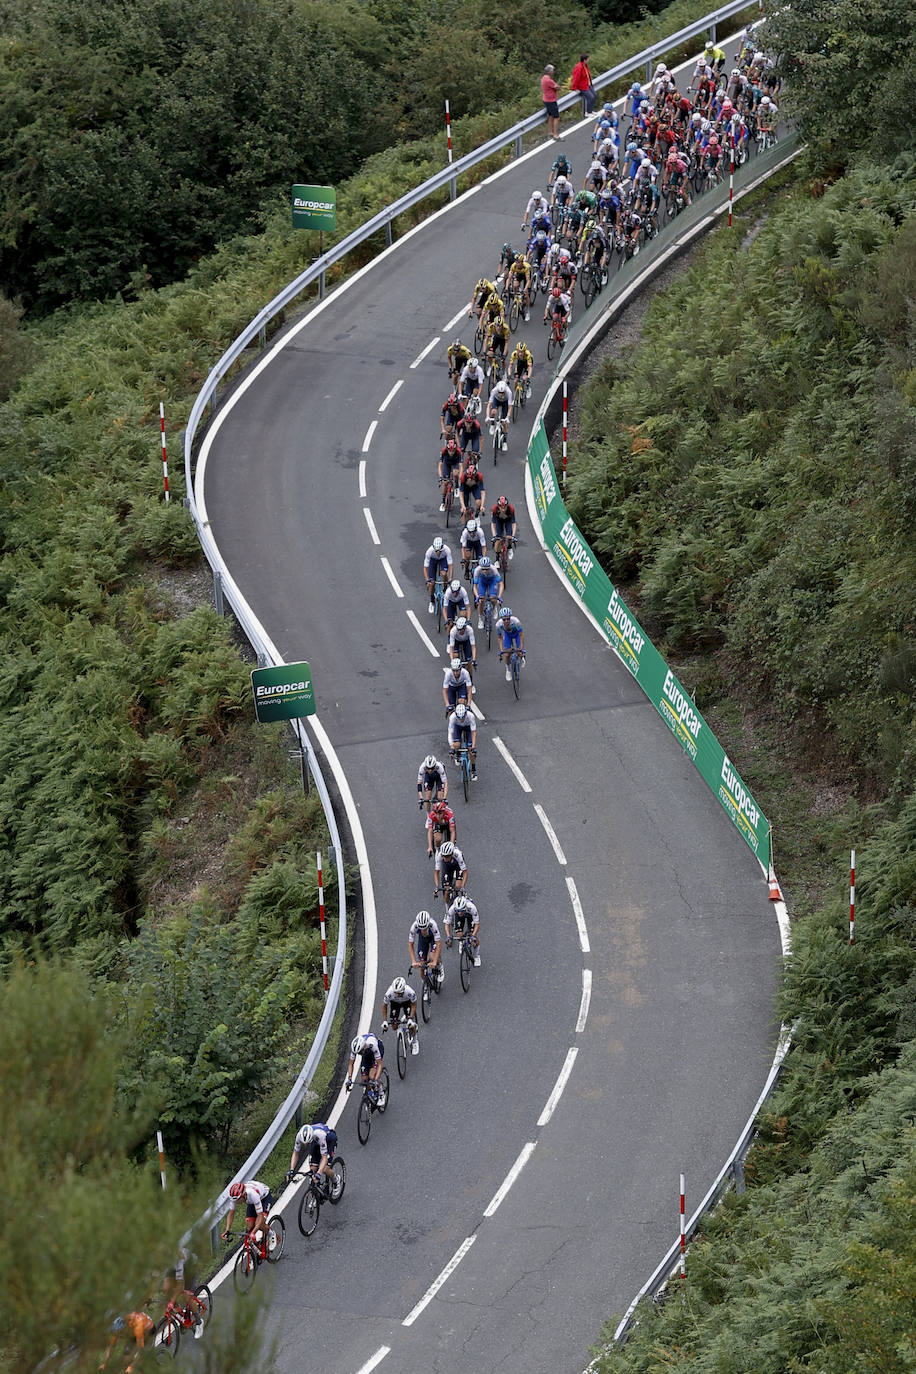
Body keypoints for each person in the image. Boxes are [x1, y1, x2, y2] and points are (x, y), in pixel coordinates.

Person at [286, 1121, 338, 1194]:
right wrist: (291, 1170)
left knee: (325, 1169)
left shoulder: (320, 1134)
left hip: (328, 1140)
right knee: (312, 1169)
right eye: (304, 1144)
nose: (306, 1145)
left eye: (307, 1143)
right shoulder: (299, 1136)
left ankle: (336, 1180)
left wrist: (319, 1173)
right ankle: (316, 1196)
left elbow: (324, 1157)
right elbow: (295, 1153)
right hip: (315, 1142)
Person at [221, 1179, 273, 1243]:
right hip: (251, 1201)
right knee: (250, 1226)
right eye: (235, 1200)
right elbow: (231, 1213)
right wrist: (227, 1229)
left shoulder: (253, 1195)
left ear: (244, 1195)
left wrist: (253, 1233)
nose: (236, 1202)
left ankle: (272, 1235)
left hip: (265, 1198)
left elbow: (260, 1215)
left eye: (238, 1200)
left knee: (260, 1224)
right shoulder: (234, 1197)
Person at [381, 974, 420, 1055]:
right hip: (395, 1004)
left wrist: (410, 1018)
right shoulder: (389, 993)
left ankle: (415, 1041)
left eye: (399, 993)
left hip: (407, 1003)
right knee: (394, 1026)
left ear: (404, 989)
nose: (397, 995)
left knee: (411, 1026)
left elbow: (414, 1005)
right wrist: (384, 1021)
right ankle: (402, 1028)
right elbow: (384, 1005)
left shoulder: (410, 992)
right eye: (396, 993)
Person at [408, 909, 445, 986]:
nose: (423, 929)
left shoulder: (433, 925)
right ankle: (425, 985)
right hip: (423, 939)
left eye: (425, 927)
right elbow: (410, 944)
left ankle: (440, 966)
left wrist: (435, 961)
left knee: (432, 956)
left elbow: (438, 943)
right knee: (422, 965)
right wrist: (413, 961)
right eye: (421, 928)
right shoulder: (414, 927)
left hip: (433, 938)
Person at [346, 1031, 386, 1100]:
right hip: (367, 1053)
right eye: (358, 1053)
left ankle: (381, 1092)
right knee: (364, 1079)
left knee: (372, 1076)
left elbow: (379, 1064)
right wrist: (349, 1078)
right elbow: (351, 1064)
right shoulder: (355, 1048)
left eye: (360, 1052)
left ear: (364, 1046)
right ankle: (371, 1095)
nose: (359, 1054)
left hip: (377, 1049)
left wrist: (376, 1080)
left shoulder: (372, 1044)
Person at [445, 892, 481, 966]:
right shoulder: (452, 909)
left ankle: (476, 955)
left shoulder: (472, 907)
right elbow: (447, 924)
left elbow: (477, 924)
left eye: (461, 910)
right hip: (459, 918)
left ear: (465, 907)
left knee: (473, 936)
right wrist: (448, 936)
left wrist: (473, 935)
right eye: (458, 911)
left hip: (470, 915)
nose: (460, 913)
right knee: (459, 935)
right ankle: (462, 942)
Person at [472, 555, 503, 628]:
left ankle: (494, 607)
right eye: (483, 569)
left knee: (493, 598)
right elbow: (475, 586)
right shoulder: (477, 570)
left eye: (487, 569)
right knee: (481, 601)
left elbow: (501, 584)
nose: (485, 571)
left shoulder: (494, 569)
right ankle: (480, 618)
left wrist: (499, 596)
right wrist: (477, 596)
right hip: (482, 582)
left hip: (492, 581)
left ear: (490, 567)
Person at [423, 535, 453, 611]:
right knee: (431, 583)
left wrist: (450, 578)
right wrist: (427, 580)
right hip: (433, 561)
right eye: (436, 551)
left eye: (440, 551)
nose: (438, 552)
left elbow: (450, 565)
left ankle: (445, 588)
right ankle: (432, 600)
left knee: (444, 573)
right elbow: (425, 568)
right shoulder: (429, 551)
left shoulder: (447, 550)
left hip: (443, 560)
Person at [497, 605, 525, 681]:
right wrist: (502, 649)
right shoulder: (499, 625)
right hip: (507, 635)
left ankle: (521, 657)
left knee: (519, 651)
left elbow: (521, 634)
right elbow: (499, 637)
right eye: (504, 619)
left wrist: (521, 648)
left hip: (517, 634)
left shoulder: (516, 621)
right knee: (507, 654)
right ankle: (508, 669)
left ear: (510, 617)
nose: (506, 621)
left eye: (508, 619)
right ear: (501, 619)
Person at [487, 377, 512, 450]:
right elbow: (489, 405)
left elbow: (510, 407)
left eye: (502, 393)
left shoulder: (509, 392)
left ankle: (504, 442)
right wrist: (487, 416)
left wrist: (507, 417)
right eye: (499, 392)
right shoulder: (494, 391)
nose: (501, 394)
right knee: (493, 411)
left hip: (505, 402)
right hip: (496, 400)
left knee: (504, 423)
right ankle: (492, 424)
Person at [506, 251, 532, 322]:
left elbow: (528, 280)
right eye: (516, 262)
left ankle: (527, 311)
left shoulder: (526, 267)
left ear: (522, 262)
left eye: (519, 262)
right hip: (519, 274)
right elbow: (509, 278)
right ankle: (516, 298)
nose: (517, 264)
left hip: (526, 275)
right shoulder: (514, 266)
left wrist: (525, 290)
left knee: (526, 295)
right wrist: (506, 288)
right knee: (515, 285)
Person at [490, 494, 517, 562]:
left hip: (508, 520)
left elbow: (513, 524)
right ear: (498, 506)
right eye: (501, 507)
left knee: (509, 536)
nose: (503, 509)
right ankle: (497, 558)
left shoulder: (511, 509)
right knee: (498, 539)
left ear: (507, 506)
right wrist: (494, 536)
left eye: (504, 507)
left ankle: (510, 547)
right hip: (499, 521)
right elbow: (493, 524)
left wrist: (513, 536)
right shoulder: (495, 509)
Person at [541, 64, 560, 139]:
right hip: (551, 100)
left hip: (546, 99)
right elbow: (557, 87)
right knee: (556, 117)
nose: (553, 72)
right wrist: (558, 86)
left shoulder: (543, 78)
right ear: (550, 72)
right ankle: (555, 134)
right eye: (553, 70)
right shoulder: (549, 80)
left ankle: (550, 132)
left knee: (551, 116)